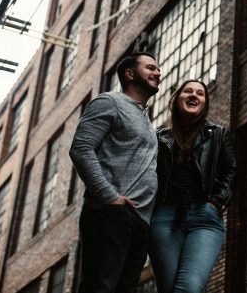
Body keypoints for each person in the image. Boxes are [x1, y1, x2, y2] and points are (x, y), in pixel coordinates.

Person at [69, 52, 162, 293]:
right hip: (110, 213)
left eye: (158, 69)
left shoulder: (144, 118)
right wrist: (109, 197)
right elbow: (81, 148)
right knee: (100, 287)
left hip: (139, 220)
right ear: (129, 74)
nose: (158, 73)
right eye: (150, 67)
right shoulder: (109, 102)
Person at [149, 79, 237, 293]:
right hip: (164, 217)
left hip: (205, 218)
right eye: (188, 91)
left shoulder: (218, 134)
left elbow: (232, 170)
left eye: (200, 93)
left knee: (188, 287)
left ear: (204, 103)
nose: (194, 95)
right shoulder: (160, 138)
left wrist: (216, 202)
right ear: (177, 99)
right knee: (169, 288)